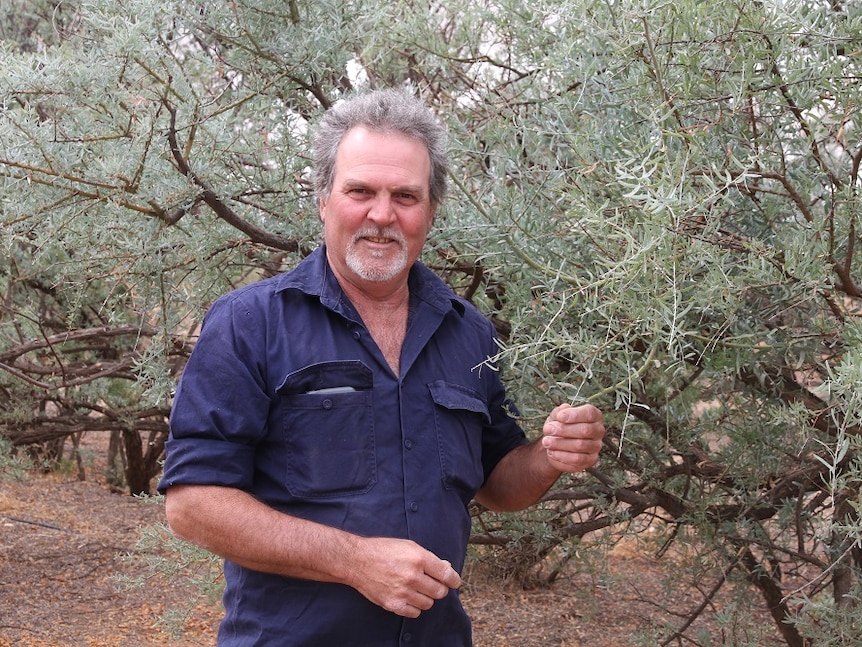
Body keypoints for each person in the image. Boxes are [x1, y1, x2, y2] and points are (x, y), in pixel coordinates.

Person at [159, 88, 605, 646]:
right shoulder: (250, 323)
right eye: (360, 191)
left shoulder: (469, 333)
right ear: (324, 198)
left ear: (431, 210)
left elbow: (498, 484)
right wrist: (354, 561)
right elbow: (193, 504)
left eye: (406, 196)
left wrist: (549, 457)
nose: (382, 214)